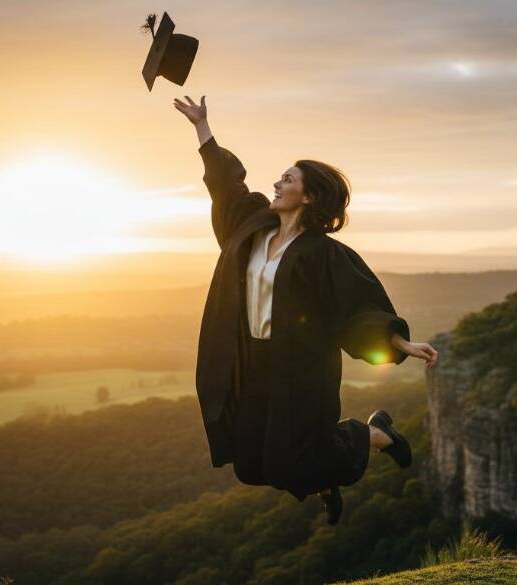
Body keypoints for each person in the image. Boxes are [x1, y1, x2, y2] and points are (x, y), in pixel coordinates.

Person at [173, 95, 438, 525]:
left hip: (299, 367)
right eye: (278, 178)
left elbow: (359, 305)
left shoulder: (324, 254)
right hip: (252, 361)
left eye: (287, 179)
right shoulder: (253, 225)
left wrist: (400, 341)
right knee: (255, 463)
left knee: (294, 457)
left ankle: (374, 434)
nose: (276, 184)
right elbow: (226, 186)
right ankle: (322, 482)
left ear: (310, 196)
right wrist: (203, 129)